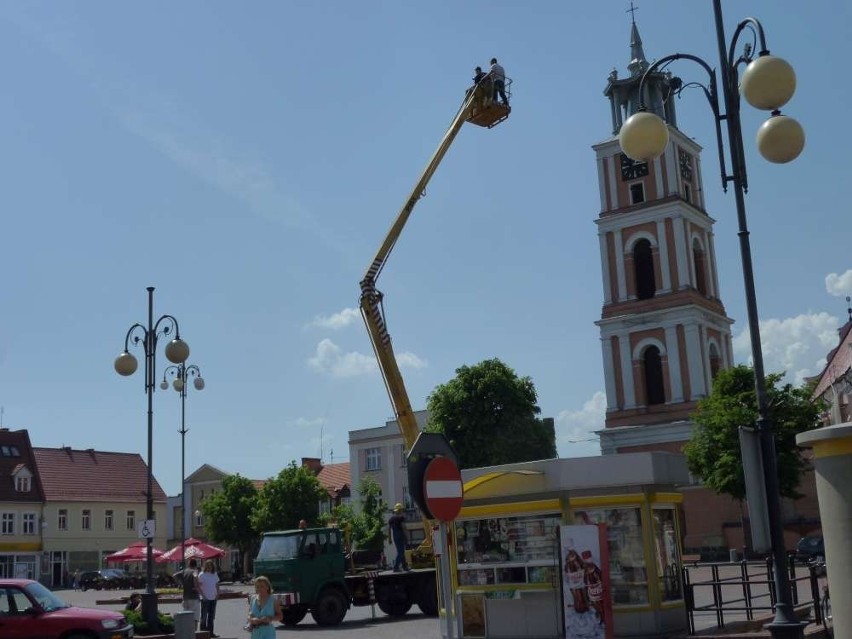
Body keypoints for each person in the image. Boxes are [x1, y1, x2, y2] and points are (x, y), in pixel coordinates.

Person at [198, 559, 220, 637]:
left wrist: (218, 593)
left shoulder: (215, 574)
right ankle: (202, 634)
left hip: (213, 598)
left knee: (211, 617)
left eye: (211, 565)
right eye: (207, 565)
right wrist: (203, 596)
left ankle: (211, 633)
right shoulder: (201, 574)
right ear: (205, 566)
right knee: (204, 617)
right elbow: (198, 587)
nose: (209, 567)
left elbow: (217, 584)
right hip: (205, 599)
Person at [388, 503, 410, 572]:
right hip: (400, 535)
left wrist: (389, 539)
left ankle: (405, 567)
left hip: (395, 536)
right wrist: (407, 537)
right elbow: (404, 527)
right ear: (400, 510)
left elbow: (389, 529)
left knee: (401, 551)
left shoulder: (391, 519)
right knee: (401, 552)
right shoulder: (401, 518)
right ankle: (396, 567)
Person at [180, 558, 201, 630]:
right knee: (195, 616)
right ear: (196, 564)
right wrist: (197, 587)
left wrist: (182, 584)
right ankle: (194, 633)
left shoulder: (184, 571)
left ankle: (187, 632)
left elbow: (174, 575)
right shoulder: (194, 571)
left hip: (185, 597)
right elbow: (195, 577)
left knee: (186, 615)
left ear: (189, 564)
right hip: (194, 597)